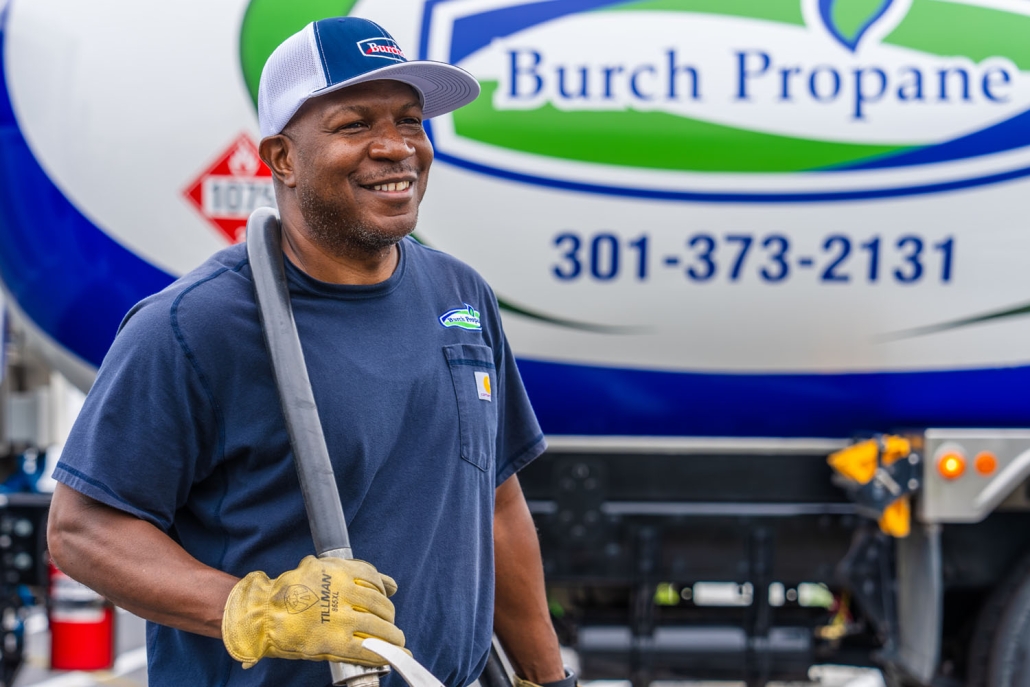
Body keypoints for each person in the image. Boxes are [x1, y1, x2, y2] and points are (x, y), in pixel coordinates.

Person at [47, 16, 570, 687]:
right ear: (283, 158)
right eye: (355, 125)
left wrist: (548, 676)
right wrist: (255, 610)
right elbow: (83, 530)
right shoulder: (194, 326)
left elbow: (496, 506)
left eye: (409, 121)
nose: (396, 148)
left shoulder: (460, 296)